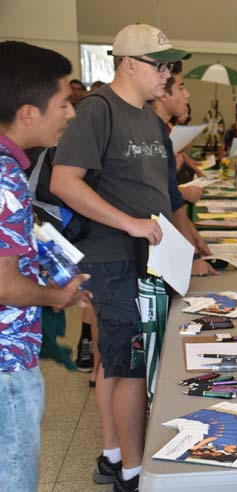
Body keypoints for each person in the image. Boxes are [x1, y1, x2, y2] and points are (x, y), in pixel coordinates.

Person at [50, 24, 191, 492]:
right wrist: (128, 223)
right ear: (128, 63)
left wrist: (192, 246)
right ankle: (132, 472)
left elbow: (166, 194)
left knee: (133, 360)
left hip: (151, 260)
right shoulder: (97, 111)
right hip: (111, 259)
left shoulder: (151, 120)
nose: (168, 75)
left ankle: (118, 455)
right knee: (127, 362)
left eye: (171, 66)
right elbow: (65, 181)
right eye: (160, 65)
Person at [0, 40, 92, 492]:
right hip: (7, 363)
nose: (71, 114)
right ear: (28, 111)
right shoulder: (6, 178)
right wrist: (61, 296)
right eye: (63, 103)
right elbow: (6, 286)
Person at [150, 62, 217, 277]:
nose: (187, 95)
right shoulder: (152, 133)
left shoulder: (159, 131)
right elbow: (168, 199)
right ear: (162, 93)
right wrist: (194, 257)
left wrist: (194, 237)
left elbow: (173, 197)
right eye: (180, 88)